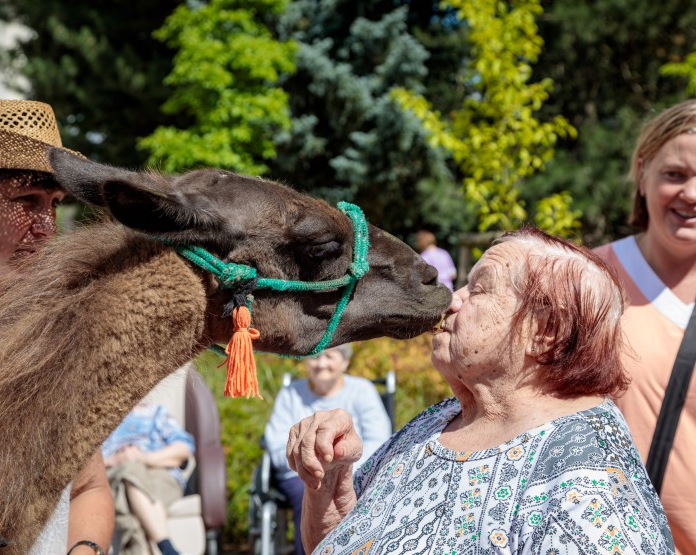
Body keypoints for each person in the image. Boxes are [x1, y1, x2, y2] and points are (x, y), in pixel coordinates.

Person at [286, 228, 674, 555]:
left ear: (545, 332)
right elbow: (342, 542)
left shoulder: (588, 481)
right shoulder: (440, 421)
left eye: (479, 289)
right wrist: (332, 478)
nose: (451, 301)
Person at [0, 99, 114, 555]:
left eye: (54, 204)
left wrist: (83, 551)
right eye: (26, 201)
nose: (46, 228)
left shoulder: (53, 336)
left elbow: (88, 488)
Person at [594, 99, 696, 554]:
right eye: (675, 175)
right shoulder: (587, 280)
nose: (691, 194)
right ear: (642, 173)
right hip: (610, 540)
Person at [263, 344, 392, 555]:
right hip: (300, 473)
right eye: (315, 357)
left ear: (345, 362)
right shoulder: (290, 394)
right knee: (307, 492)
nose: (322, 363)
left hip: (355, 469)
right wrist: (309, 464)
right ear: (305, 361)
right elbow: (276, 442)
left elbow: (378, 440)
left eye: (329, 356)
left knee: (364, 492)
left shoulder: (362, 390)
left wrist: (340, 467)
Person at [103, 401, 195, 555]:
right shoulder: (103, 418)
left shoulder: (156, 413)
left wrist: (143, 458)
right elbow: (84, 463)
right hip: (114, 474)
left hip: (158, 474)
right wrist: (116, 459)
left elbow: (183, 449)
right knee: (129, 470)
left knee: (126, 499)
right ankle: (167, 548)